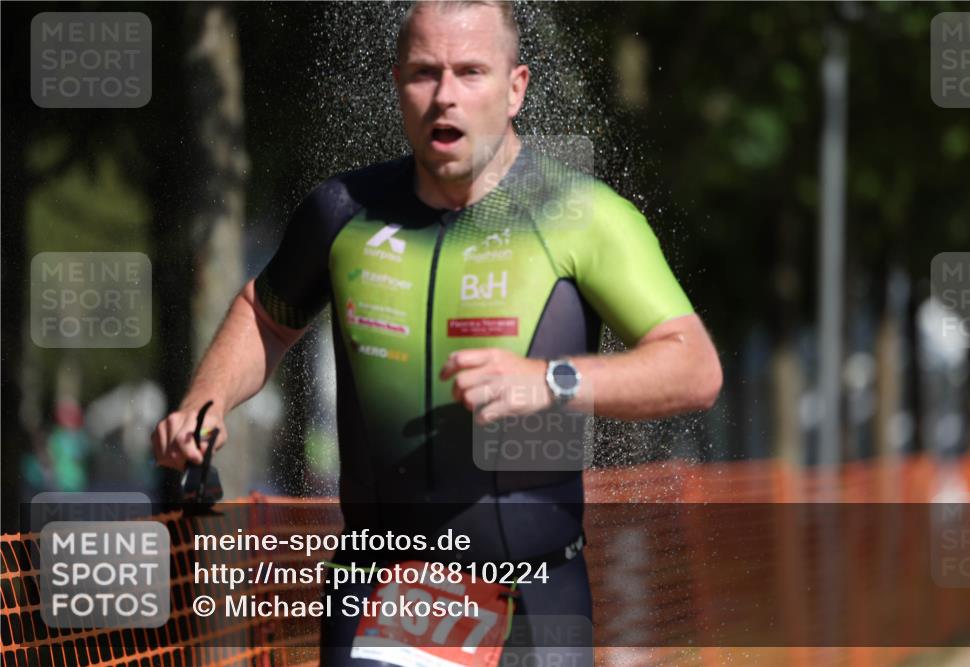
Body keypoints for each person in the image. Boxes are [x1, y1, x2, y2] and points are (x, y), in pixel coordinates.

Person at [152, 1, 722, 663]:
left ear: (516, 88)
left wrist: (550, 380)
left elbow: (694, 367)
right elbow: (264, 314)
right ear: (397, 83)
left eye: (471, 72)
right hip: (379, 592)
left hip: (532, 597)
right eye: (425, 73)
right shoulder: (343, 213)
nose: (445, 96)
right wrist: (207, 400)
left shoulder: (581, 215)